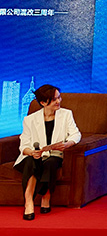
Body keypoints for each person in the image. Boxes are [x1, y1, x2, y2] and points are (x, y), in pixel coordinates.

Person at [15, 85, 81, 220]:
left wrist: (67, 144)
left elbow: (76, 134)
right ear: (43, 103)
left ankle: (46, 196)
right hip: (34, 156)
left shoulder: (66, 114)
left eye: (59, 97)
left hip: (55, 155)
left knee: (50, 163)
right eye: (54, 99)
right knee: (32, 162)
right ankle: (29, 200)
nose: (59, 101)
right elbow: (24, 145)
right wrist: (31, 152)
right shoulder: (30, 119)